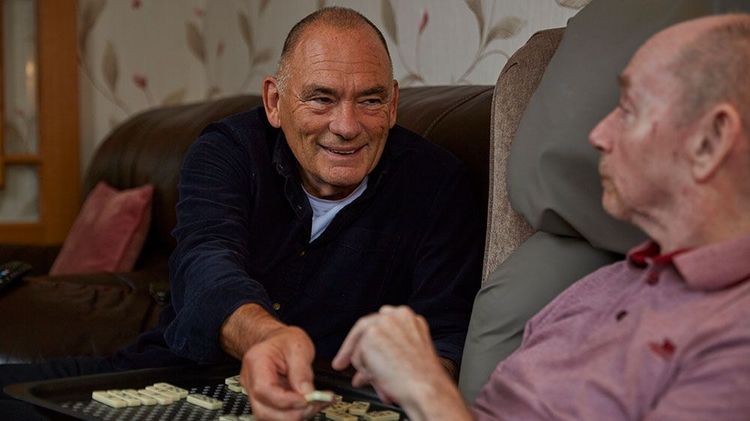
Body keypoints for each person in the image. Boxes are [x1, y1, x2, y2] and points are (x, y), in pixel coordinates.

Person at [0, 7, 482, 420]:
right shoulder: (228, 151)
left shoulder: (440, 185)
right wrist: (264, 338)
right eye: (321, 98)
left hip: (330, 402)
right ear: (275, 101)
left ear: (394, 104)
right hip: (179, 370)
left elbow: (443, 341)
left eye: (371, 100)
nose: (347, 126)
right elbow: (208, 262)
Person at [333, 14, 750, 420]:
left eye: (627, 109)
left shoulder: (733, 337)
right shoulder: (597, 288)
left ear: (710, 141)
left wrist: (426, 389)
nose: (597, 136)